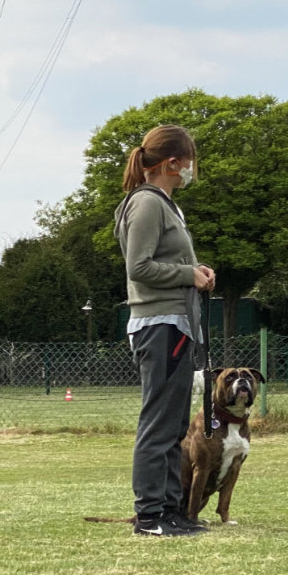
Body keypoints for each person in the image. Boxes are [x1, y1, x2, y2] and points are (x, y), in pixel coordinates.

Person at [113, 124, 215, 537]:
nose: (191, 170)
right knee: (159, 422)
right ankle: (150, 514)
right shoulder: (147, 204)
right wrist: (188, 274)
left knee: (173, 425)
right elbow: (138, 267)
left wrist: (196, 274)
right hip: (160, 325)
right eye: (189, 162)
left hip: (178, 323)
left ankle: (171, 509)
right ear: (174, 163)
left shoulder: (167, 205)